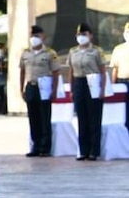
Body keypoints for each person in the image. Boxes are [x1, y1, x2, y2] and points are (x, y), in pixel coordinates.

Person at [20, 25, 61, 157]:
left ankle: (45, 148)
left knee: (44, 117)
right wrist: (21, 88)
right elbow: (22, 71)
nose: (34, 38)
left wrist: (54, 90)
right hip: (31, 86)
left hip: (44, 87)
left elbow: (55, 72)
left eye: (37, 36)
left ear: (43, 37)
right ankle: (35, 146)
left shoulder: (50, 53)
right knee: (33, 118)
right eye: (32, 36)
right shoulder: (26, 53)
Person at [67, 23, 106, 161]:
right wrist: (72, 89)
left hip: (93, 82)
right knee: (82, 118)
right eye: (79, 34)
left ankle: (94, 151)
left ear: (90, 36)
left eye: (84, 34)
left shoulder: (96, 51)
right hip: (79, 82)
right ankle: (83, 151)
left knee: (94, 117)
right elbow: (71, 71)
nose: (81, 37)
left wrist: (102, 89)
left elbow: (103, 71)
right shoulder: (73, 51)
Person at [111, 22, 129, 133]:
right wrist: (113, 86)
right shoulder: (118, 49)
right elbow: (115, 68)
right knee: (123, 111)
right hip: (122, 83)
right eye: (127, 32)